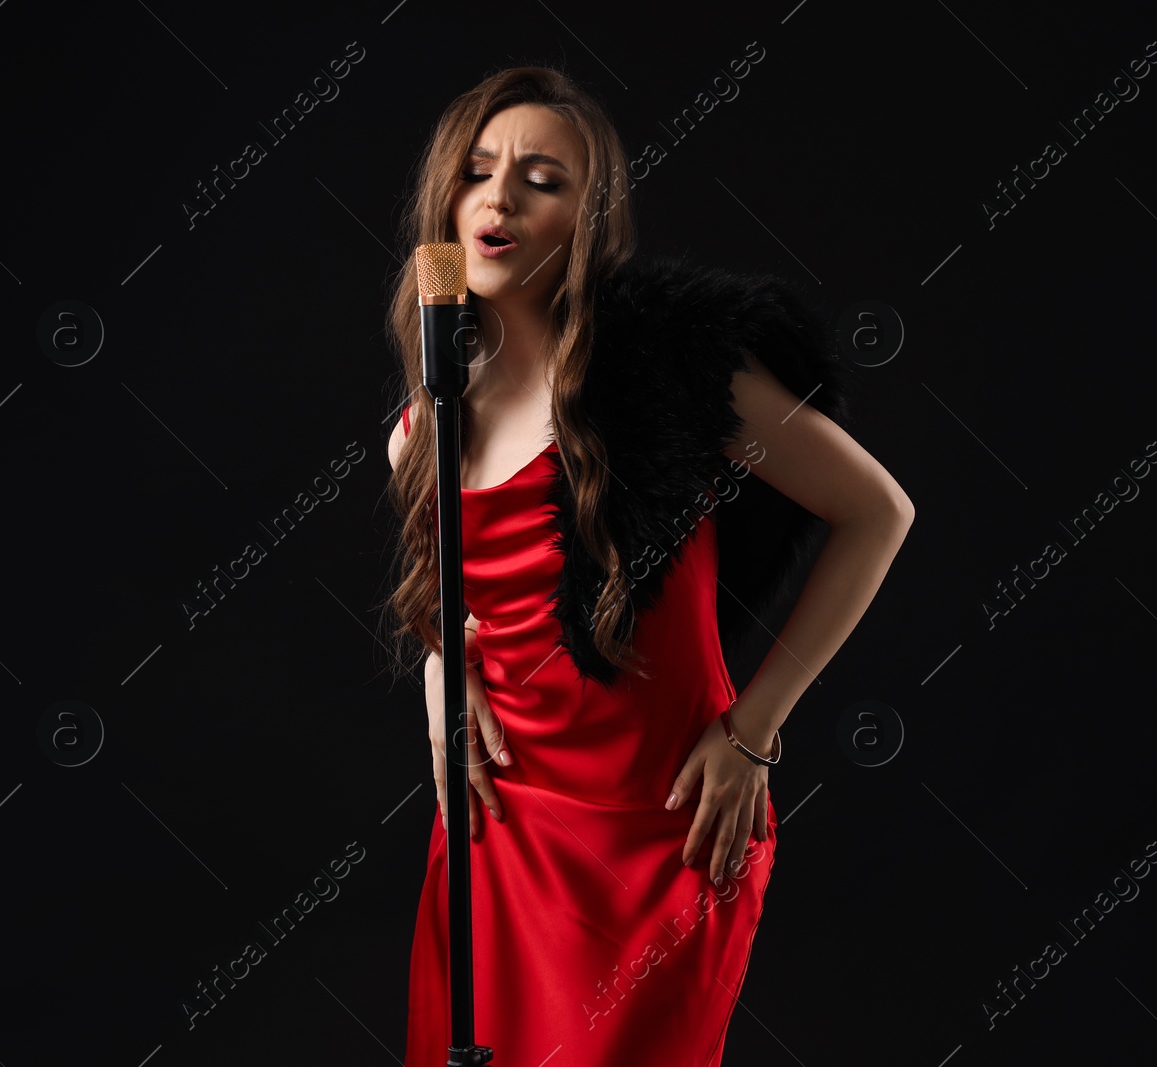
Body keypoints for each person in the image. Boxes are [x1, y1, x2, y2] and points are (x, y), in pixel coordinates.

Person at [382, 66, 914, 1065]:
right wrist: (439, 676)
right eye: (478, 171)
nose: (499, 197)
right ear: (446, 203)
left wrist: (754, 730)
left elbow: (878, 511)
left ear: (589, 217)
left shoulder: (679, 376)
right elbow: (450, 606)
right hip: (501, 839)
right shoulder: (424, 426)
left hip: (663, 837)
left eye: (541, 178)